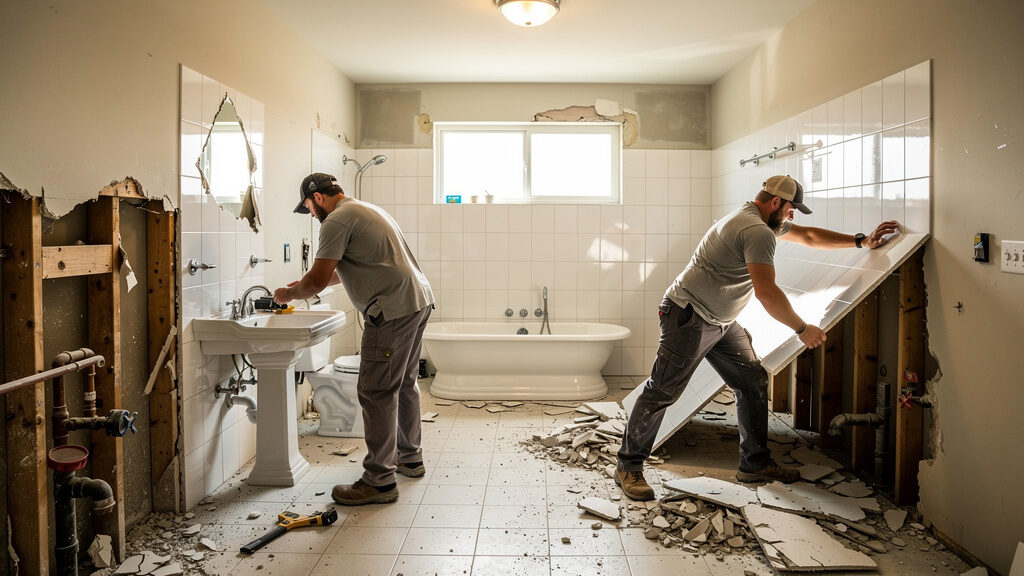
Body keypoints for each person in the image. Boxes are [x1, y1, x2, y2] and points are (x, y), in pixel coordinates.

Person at [615, 175, 900, 501]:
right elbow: (766, 292)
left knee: (751, 380)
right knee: (662, 390)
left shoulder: (755, 218)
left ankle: (754, 464)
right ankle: (628, 466)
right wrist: (801, 328)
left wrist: (860, 241)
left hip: (720, 321)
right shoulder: (756, 231)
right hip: (689, 316)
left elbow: (808, 235)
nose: (792, 217)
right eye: (792, 208)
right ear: (776, 203)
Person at [274, 172, 434, 506]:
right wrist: (301, 285)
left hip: (391, 309)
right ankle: (409, 457)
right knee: (403, 383)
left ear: (317, 198)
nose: (313, 217)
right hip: (416, 301)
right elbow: (335, 273)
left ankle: (379, 481)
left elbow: (316, 282)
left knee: (376, 391)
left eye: (309, 207)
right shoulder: (364, 210)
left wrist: (287, 294)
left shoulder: (336, 221)